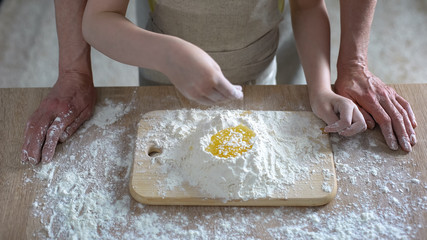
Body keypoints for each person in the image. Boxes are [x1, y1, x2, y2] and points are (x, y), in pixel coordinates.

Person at [21, 0, 417, 165]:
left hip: (261, 84)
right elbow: (97, 20)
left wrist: (319, 87)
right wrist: (169, 55)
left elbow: (308, 5)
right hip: (164, 88)